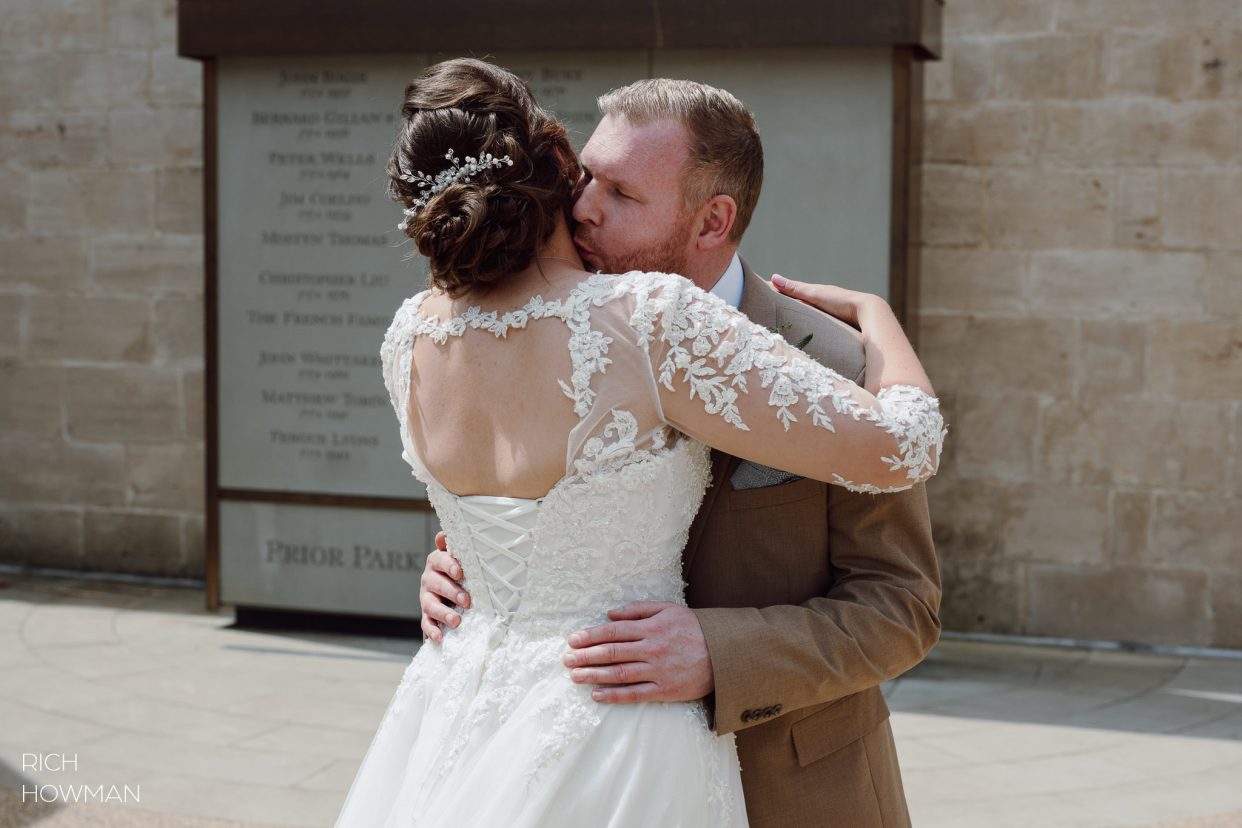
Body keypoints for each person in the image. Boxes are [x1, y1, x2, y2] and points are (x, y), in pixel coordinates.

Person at [335, 58, 945, 828]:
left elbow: (903, 607)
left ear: (712, 221)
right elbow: (538, 511)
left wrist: (723, 652)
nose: (585, 207)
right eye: (585, 178)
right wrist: (464, 570)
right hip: (585, 764)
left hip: (796, 792)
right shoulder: (600, 320)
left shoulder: (839, 362)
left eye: (622, 193)